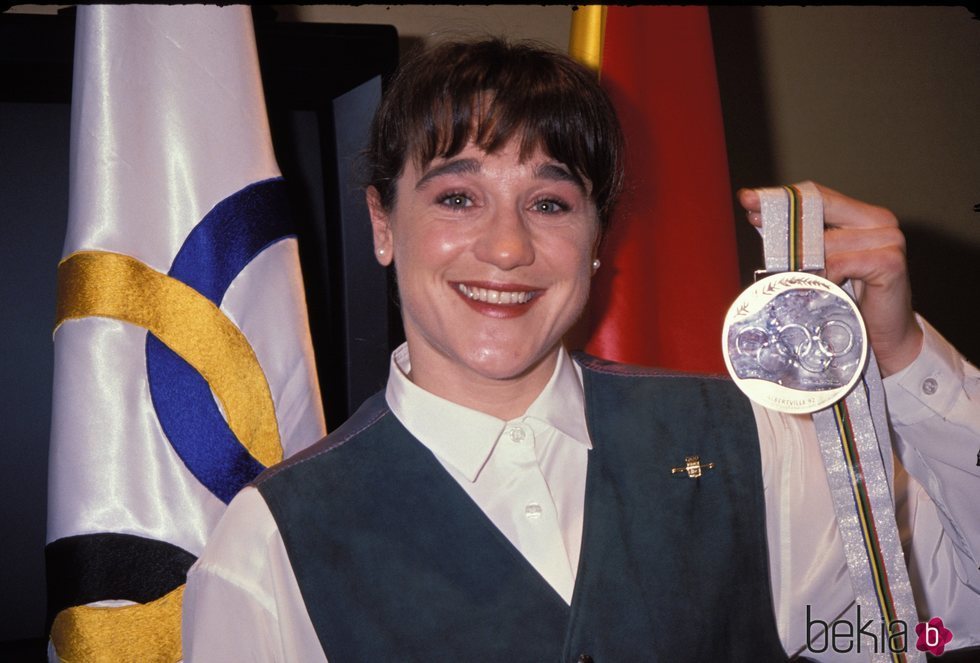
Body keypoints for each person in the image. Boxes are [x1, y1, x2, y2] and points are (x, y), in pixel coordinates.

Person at [182, 38, 979, 661]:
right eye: (458, 196)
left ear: (599, 239)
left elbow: (946, 619)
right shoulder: (269, 550)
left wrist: (900, 353)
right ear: (384, 223)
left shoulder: (756, 449)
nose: (506, 247)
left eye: (551, 202)